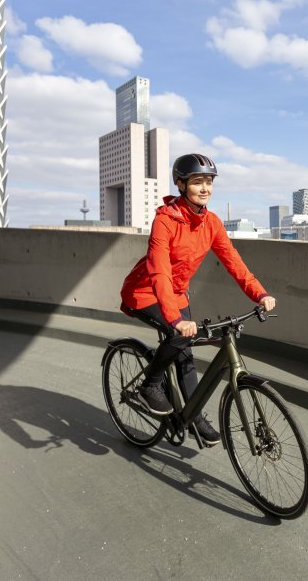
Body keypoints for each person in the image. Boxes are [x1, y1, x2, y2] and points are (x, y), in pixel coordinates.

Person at [119, 153, 276, 447]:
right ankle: (150, 384)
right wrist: (176, 319)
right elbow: (160, 271)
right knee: (178, 337)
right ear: (180, 184)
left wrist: (260, 293)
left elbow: (234, 262)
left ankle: (193, 416)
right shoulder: (165, 221)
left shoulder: (211, 223)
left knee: (186, 354)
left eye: (209, 182)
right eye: (197, 182)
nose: (205, 188)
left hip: (175, 293)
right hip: (144, 292)